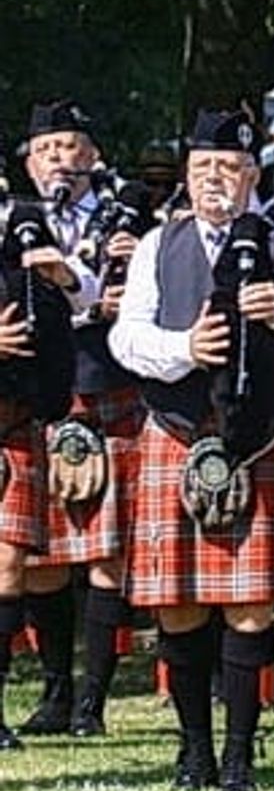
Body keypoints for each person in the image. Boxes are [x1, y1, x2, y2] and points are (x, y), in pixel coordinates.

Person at [108, 108, 274, 791]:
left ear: (253, 176)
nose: (218, 179)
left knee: (250, 602)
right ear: (187, 174)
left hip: (260, 438)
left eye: (232, 168)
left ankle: (239, 755)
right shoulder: (158, 245)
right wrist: (183, 348)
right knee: (177, 602)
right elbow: (126, 337)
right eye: (205, 167)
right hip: (177, 430)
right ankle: (194, 751)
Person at [14, 100, 134, 739]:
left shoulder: (130, 218)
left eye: (69, 146)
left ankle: (93, 701)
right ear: (29, 164)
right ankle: (56, 691)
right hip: (39, 398)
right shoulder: (14, 222)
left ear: (92, 156)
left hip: (111, 389)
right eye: (46, 149)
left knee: (107, 554)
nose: (59, 159)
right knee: (43, 558)